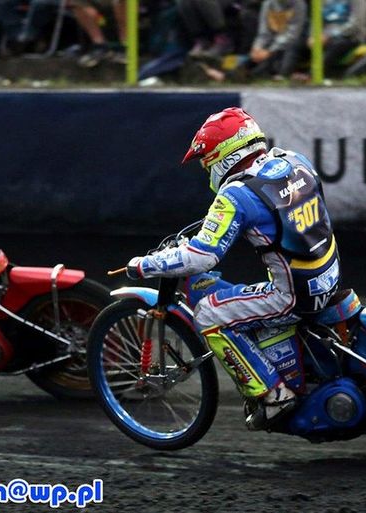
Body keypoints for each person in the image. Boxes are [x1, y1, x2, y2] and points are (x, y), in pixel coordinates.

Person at [125, 107, 341, 430]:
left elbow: (202, 257)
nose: (206, 167)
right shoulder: (295, 161)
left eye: (206, 160)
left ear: (223, 156)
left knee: (210, 312)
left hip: (294, 296)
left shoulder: (236, 195)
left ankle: (273, 396)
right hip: (329, 276)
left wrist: (145, 265)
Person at [247, 0, 307, 80]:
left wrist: (270, 51)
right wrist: (257, 47)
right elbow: (264, 32)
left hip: (293, 41)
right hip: (273, 41)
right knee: (256, 67)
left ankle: (284, 73)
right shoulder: (267, 3)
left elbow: (293, 34)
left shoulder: (299, 3)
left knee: (283, 67)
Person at [308, 0, 366, 75]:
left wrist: (329, 35)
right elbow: (316, 19)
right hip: (325, 35)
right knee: (300, 42)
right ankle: (296, 72)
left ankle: (312, 74)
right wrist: (313, 35)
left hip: (350, 36)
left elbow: (356, 24)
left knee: (337, 44)